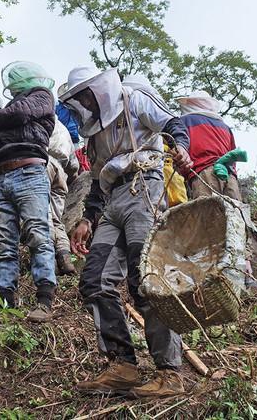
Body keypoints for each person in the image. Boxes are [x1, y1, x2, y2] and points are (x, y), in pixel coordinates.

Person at [63, 67, 192, 398]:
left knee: (146, 279)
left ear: (99, 89)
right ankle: (123, 365)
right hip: (111, 202)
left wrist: (180, 146)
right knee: (94, 280)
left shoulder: (134, 100)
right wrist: (87, 218)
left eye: (86, 96)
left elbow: (173, 123)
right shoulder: (94, 134)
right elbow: (97, 178)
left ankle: (169, 372)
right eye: (79, 100)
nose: (84, 104)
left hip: (143, 188)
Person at [0, 61, 58, 322]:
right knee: (5, 241)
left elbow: (14, 115)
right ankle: (4, 300)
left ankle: (44, 300)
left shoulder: (42, 95)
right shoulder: (14, 104)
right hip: (1, 175)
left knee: (38, 235)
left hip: (29, 172)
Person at [176, 91, 242, 201]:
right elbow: (233, 155)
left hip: (204, 172)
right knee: (236, 213)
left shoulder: (184, 121)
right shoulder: (225, 126)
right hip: (229, 174)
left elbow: (177, 151)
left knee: (208, 213)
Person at [47, 118, 79, 275]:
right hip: (61, 172)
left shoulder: (38, 120)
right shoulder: (64, 129)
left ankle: (48, 263)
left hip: (41, 167)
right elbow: (74, 165)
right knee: (55, 219)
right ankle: (65, 258)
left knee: (42, 217)